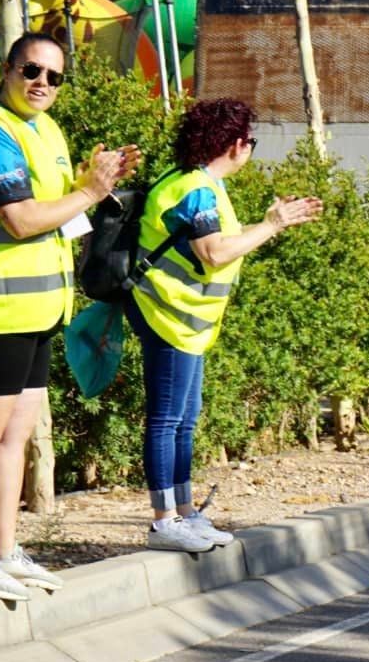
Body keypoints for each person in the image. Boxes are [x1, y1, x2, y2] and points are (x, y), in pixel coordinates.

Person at [0, 34, 140, 601]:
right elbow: (22, 220)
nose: (43, 84)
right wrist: (88, 191)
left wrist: (92, 187)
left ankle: (4, 551)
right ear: (7, 69)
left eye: (55, 77)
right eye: (32, 70)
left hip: (37, 304)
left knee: (17, 433)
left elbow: (62, 213)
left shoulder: (44, 130)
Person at [127, 98, 322, 552]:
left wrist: (271, 223)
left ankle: (185, 512)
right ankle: (164, 521)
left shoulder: (200, 184)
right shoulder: (193, 188)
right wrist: (271, 224)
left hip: (186, 324)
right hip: (168, 317)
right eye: (250, 141)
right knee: (167, 419)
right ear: (235, 145)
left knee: (185, 420)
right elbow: (213, 251)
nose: (250, 148)